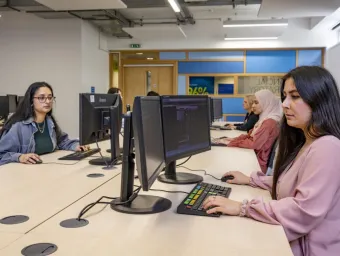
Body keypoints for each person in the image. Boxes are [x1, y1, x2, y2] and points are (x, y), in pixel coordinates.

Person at [203, 66, 340, 256]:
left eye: (295, 96)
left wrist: (243, 207)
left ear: (319, 99)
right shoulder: (307, 142)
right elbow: (292, 182)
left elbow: (303, 211)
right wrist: (252, 179)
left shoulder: (327, 147)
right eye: (284, 96)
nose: (284, 104)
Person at [0, 82, 88, 165]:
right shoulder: (18, 126)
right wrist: (20, 157)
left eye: (50, 97)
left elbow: (62, 141)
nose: (47, 101)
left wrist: (76, 146)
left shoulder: (50, 122)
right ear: (31, 101)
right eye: (41, 98)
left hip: (45, 169)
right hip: (23, 174)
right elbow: (2, 154)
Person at [217, 89, 281, 172]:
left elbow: (254, 144)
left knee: (225, 164)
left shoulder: (268, 123)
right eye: (253, 102)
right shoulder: (264, 119)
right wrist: (234, 139)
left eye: (256, 103)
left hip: (257, 165)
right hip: (254, 158)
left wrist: (231, 143)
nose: (253, 106)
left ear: (267, 103)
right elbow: (251, 136)